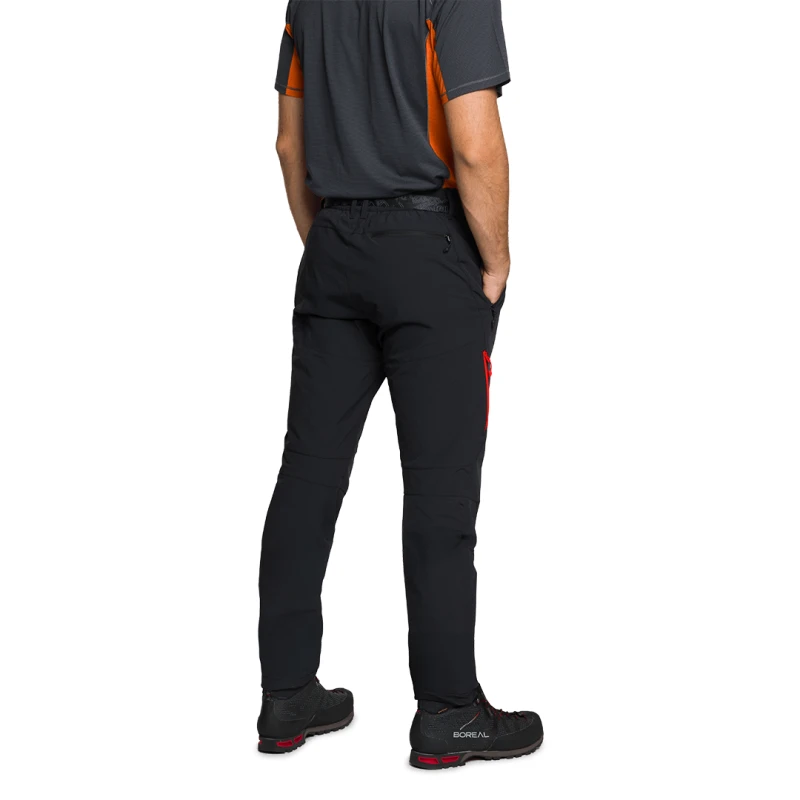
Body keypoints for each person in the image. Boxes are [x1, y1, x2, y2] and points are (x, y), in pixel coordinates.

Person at [257, 0, 543, 769]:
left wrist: (331, 244)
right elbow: (474, 145)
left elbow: (289, 141)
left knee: (308, 477)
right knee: (440, 492)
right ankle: (449, 709)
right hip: (429, 250)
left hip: (334, 247)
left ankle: (286, 695)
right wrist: (497, 262)